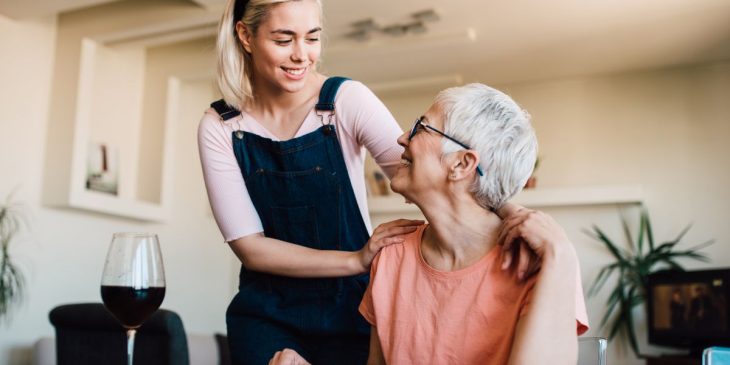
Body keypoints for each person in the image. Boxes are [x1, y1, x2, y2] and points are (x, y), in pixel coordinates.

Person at [197, 0, 424, 363]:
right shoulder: (221, 125)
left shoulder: (345, 101)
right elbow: (251, 249)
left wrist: (501, 214)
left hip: (354, 311)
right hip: (266, 316)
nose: (302, 55)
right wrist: (356, 259)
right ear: (245, 35)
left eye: (312, 38)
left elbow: (420, 179)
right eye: (284, 39)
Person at [357, 83, 590, 364]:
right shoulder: (391, 255)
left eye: (421, 127)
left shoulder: (541, 262)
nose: (403, 138)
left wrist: (561, 256)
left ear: (461, 164)